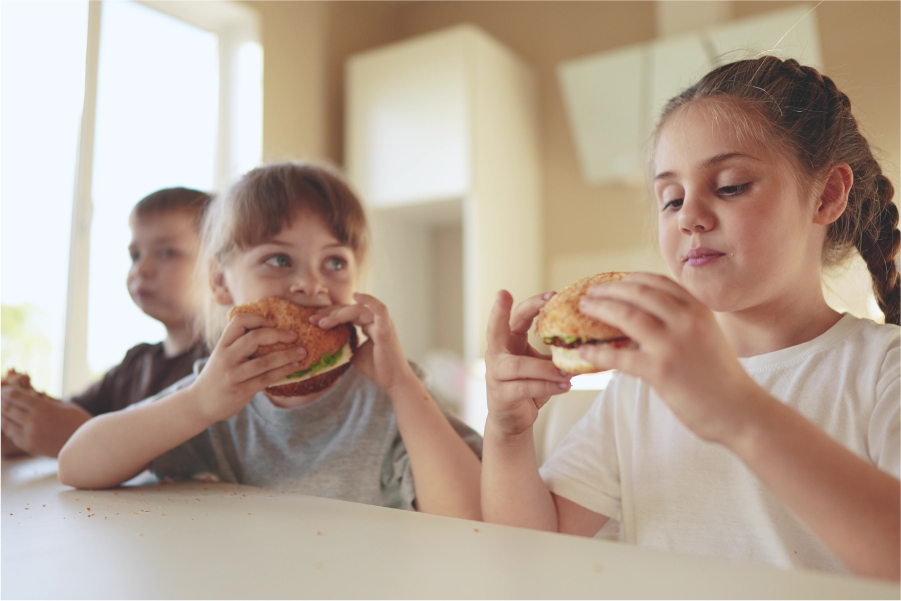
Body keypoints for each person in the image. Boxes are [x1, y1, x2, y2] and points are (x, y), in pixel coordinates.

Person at [481, 56, 901, 581]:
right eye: (670, 198)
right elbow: (526, 551)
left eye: (729, 186)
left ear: (828, 194)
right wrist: (508, 431)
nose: (689, 216)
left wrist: (734, 408)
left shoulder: (884, 370)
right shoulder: (643, 384)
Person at [57, 162, 483, 520]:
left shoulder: (391, 393)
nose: (310, 284)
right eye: (279, 259)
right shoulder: (215, 394)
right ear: (221, 281)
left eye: (334, 262)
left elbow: (468, 516)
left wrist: (403, 386)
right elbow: (77, 465)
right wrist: (197, 404)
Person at [0, 187, 211, 459]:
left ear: (219, 271)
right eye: (135, 255)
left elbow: (198, 463)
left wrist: (89, 441)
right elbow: (63, 420)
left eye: (167, 252)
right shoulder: (134, 365)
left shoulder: (220, 365)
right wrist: (18, 423)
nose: (142, 268)